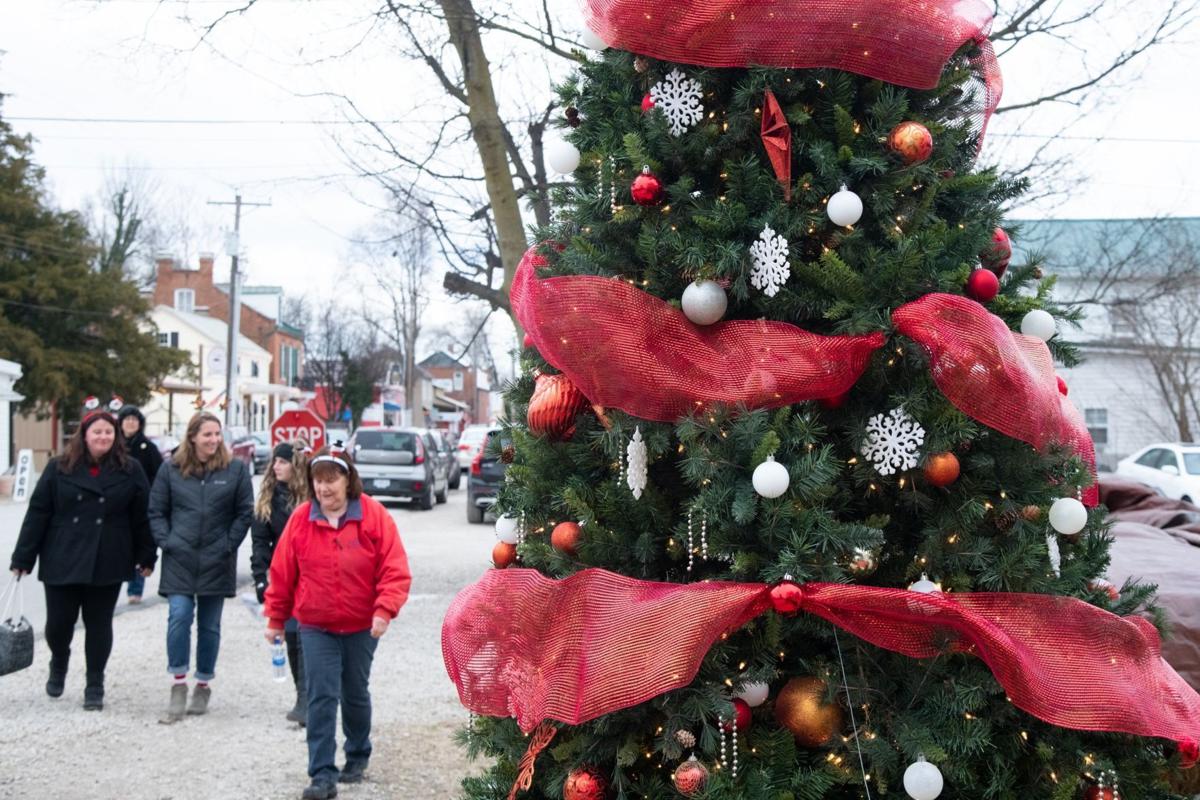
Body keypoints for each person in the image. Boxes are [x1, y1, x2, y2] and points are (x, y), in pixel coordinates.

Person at [263, 446, 411, 800]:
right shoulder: (301, 519)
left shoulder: (373, 516)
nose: (324, 488)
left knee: (354, 692)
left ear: (348, 480)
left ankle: (357, 755)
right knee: (321, 696)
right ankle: (322, 775)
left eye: (332, 480)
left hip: (362, 624)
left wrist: (384, 610)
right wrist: (275, 618)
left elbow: (395, 569)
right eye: (318, 480)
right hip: (315, 624)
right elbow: (282, 572)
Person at [8, 404, 156, 710]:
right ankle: (59, 660)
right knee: (58, 625)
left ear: (115, 436)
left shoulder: (130, 469)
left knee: (99, 623)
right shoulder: (59, 466)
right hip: (62, 552)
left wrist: (146, 554)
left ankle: (95, 684)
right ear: (85, 435)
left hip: (109, 554)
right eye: (97, 431)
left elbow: (143, 515)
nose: (103, 436)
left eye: (108, 432)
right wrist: (23, 557)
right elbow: (38, 512)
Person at [149, 411, 253, 724]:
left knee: (210, 626)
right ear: (192, 436)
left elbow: (244, 512)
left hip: (216, 559)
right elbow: (156, 510)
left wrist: (228, 544)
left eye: (217, 434)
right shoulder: (172, 469)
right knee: (179, 616)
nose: (213, 440)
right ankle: (178, 684)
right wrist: (167, 542)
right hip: (179, 557)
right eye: (207, 434)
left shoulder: (234, 469)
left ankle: (203, 683)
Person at [250, 439, 310, 726]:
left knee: (308, 637)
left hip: (311, 575)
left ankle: (310, 699)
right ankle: (302, 695)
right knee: (291, 636)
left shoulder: (311, 497)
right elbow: (260, 543)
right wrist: (260, 579)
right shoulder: (267, 499)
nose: (276, 467)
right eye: (274, 461)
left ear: (295, 465)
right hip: (283, 576)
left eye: (283, 461)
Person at [117, 404, 164, 604]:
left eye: (134, 420)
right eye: (126, 419)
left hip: (141, 503)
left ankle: (135, 590)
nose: (130, 423)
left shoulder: (148, 447)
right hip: (118, 504)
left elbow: (159, 474)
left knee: (140, 545)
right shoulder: (113, 445)